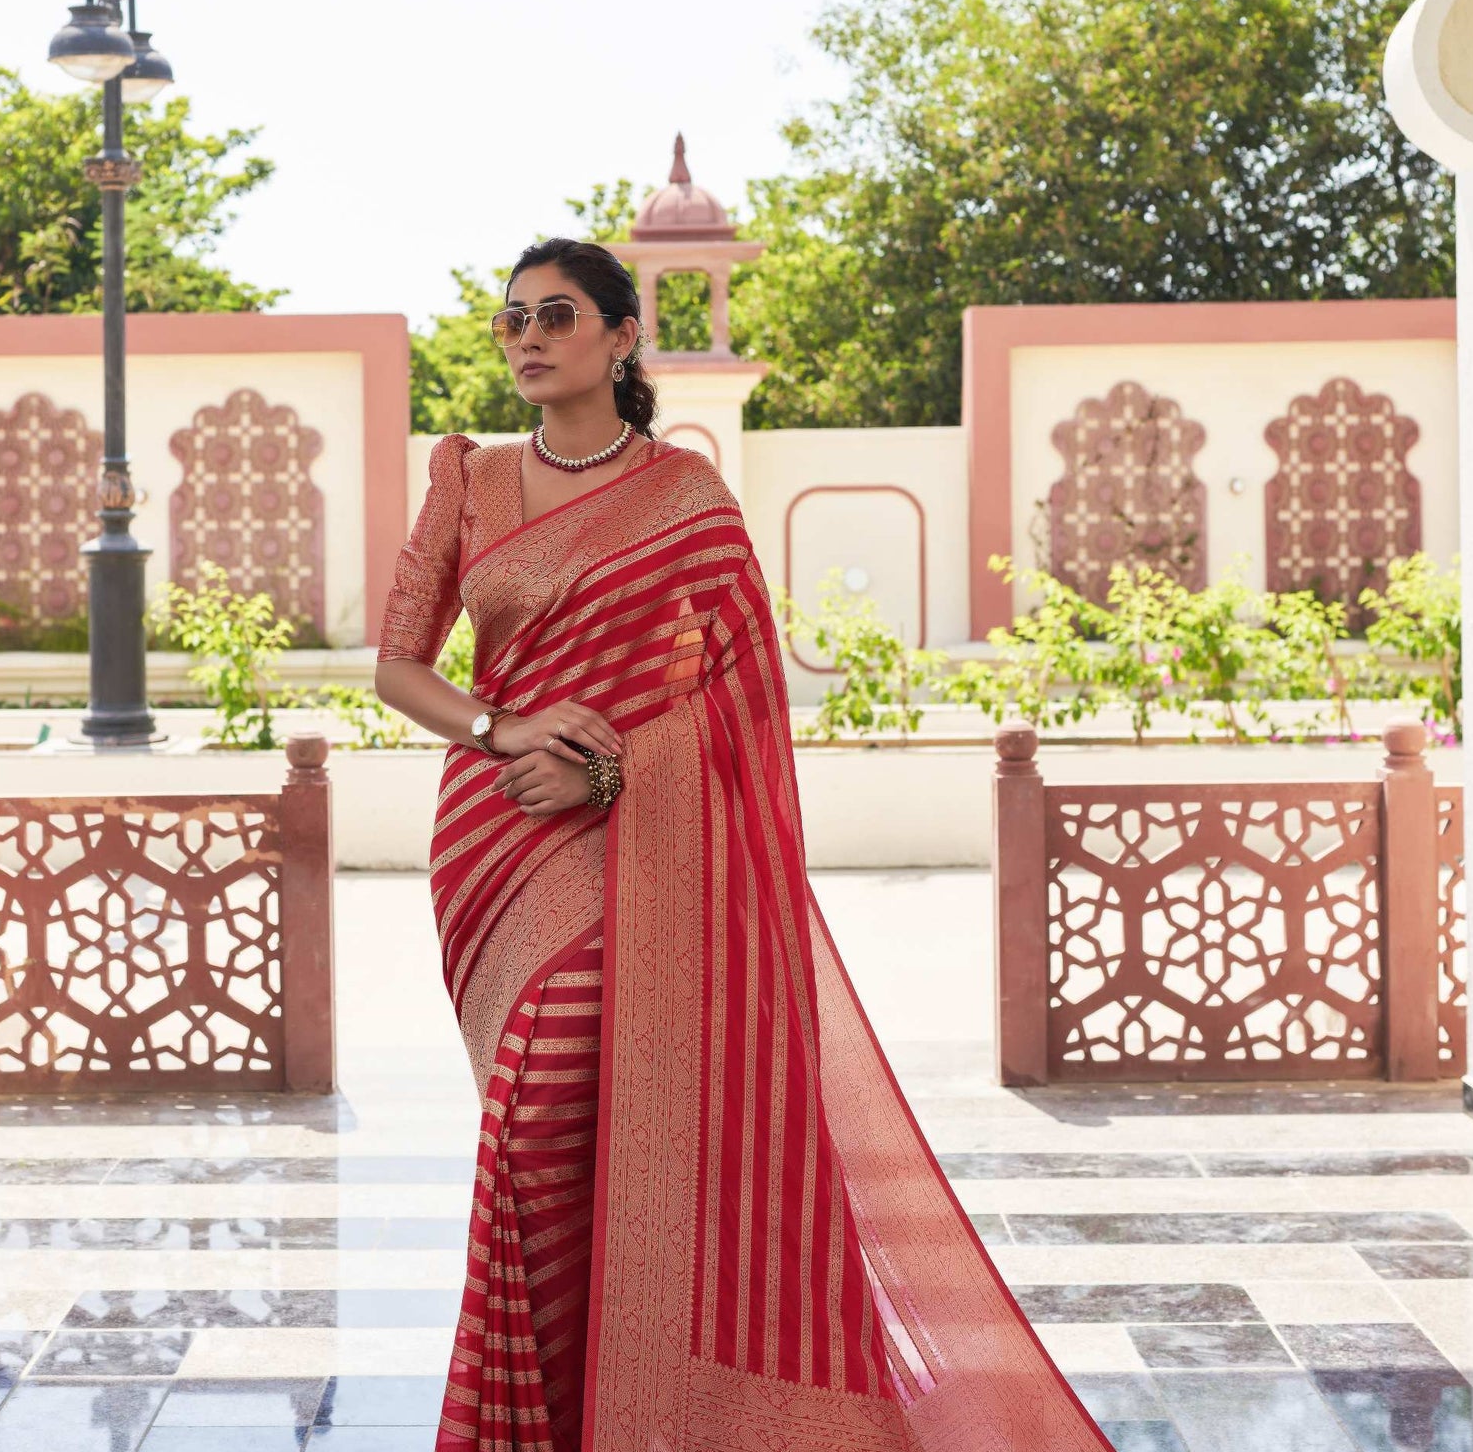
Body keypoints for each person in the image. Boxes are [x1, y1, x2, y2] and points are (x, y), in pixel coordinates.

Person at [374, 238, 1107, 1452]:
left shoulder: (687, 502)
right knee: (529, 1130)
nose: (527, 336)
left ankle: (635, 1417)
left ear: (619, 337)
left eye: (557, 314)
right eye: (511, 319)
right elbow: (398, 665)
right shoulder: (465, 479)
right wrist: (505, 730)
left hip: (632, 843)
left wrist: (609, 767)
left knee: (577, 1123)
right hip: (498, 842)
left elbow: (737, 702)